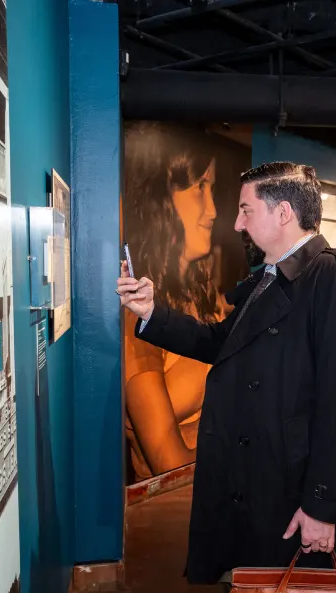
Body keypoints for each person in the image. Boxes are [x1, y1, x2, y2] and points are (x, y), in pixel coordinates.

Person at [117, 162, 336, 585]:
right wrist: (151, 312)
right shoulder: (269, 279)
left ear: (283, 214)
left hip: (295, 493)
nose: (236, 223)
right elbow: (218, 341)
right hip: (260, 484)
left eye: (245, 210)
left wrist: (320, 506)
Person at [122, 124, 236, 481]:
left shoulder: (203, 295)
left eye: (212, 189)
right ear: (161, 199)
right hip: (177, 519)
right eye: (200, 187)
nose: (214, 209)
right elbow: (168, 465)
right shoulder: (135, 316)